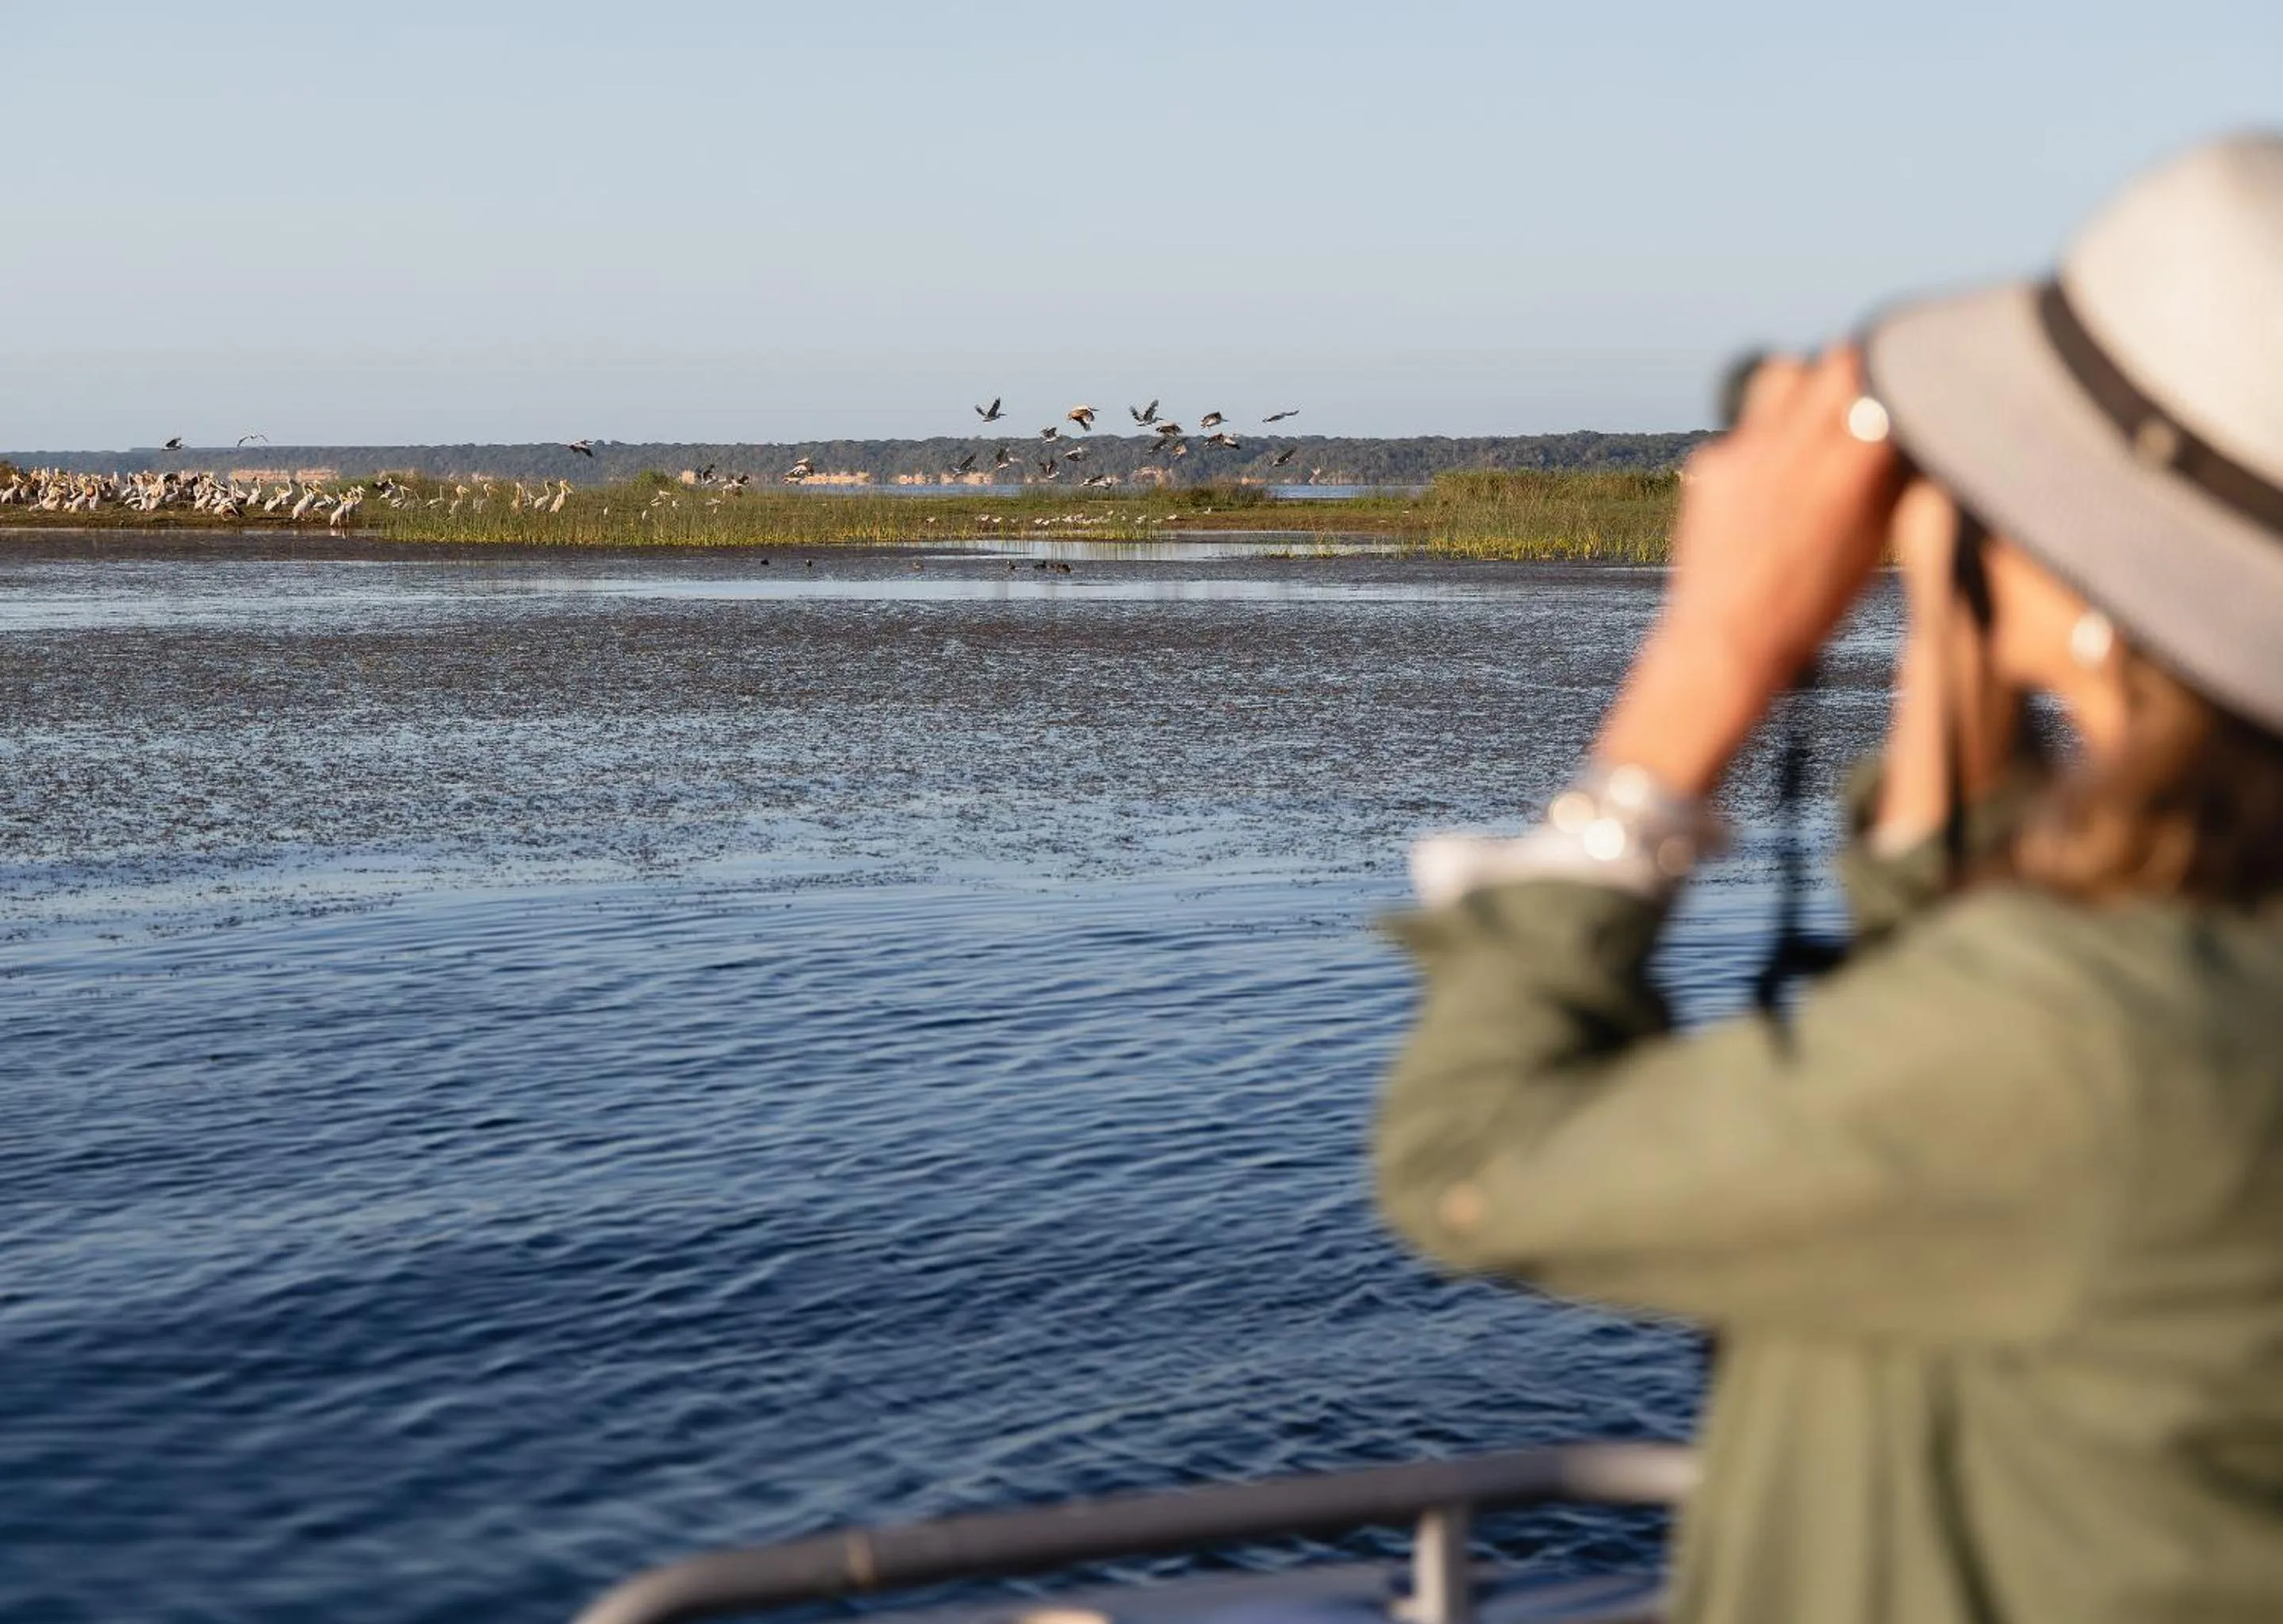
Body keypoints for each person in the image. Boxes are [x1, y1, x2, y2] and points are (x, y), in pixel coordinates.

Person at [1373, 132, 2283, 1624]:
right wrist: (1953, 634)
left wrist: (1710, 655)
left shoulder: (2089, 1046)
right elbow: (1951, 983)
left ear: (2112, 579)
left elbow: (1472, 1162)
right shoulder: (2188, 967)